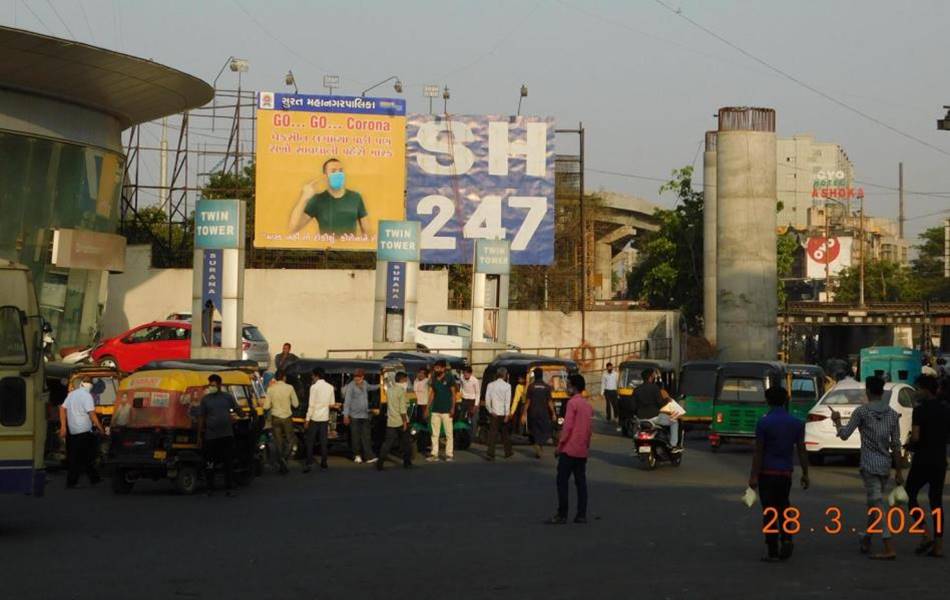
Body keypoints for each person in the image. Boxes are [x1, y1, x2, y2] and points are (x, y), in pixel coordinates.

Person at [831, 376, 904, 559]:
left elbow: (844, 435)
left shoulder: (861, 412)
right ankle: (866, 538)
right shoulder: (893, 415)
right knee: (875, 503)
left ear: (868, 392)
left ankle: (888, 546)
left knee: (877, 504)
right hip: (885, 466)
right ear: (882, 392)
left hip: (869, 466)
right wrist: (898, 472)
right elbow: (896, 445)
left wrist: (837, 421)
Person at [749, 386, 810, 562]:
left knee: (769, 511)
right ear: (785, 401)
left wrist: (753, 476)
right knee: (783, 507)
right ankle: (787, 539)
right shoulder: (796, 423)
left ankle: (772, 549)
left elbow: (759, 452)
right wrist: (805, 473)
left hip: (767, 473)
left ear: (768, 401)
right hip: (785, 474)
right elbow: (802, 450)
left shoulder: (763, 423)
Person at [904, 374, 950, 557]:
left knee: (909, 494)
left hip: (922, 460)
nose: (916, 392)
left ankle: (925, 533)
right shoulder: (946, 410)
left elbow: (916, 437)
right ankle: (938, 545)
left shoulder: (920, 410)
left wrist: (909, 445)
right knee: (936, 502)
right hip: (939, 460)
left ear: (925, 390)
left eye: (917, 389)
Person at [547, 374, 594, 525]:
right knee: (581, 483)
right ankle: (581, 514)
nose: (566, 388)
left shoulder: (572, 403)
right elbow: (589, 430)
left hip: (569, 449)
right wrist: (586, 446)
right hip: (581, 450)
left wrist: (559, 446)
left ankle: (562, 514)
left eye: (568, 385)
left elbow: (567, 428)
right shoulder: (587, 406)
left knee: (562, 482)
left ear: (574, 387)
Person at [288, 158, 371, 236]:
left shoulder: (356, 197)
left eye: (341, 171)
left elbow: (368, 233)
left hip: (350, 246)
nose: (338, 174)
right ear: (325, 176)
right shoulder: (318, 200)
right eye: (333, 171)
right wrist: (304, 198)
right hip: (327, 246)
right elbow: (293, 228)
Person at [199, 374, 241, 496]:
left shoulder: (228, 397)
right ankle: (209, 488)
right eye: (210, 385)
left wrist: (242, 414)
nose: (211, 387)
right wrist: (199, 435)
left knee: (228, 462)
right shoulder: (205, 399)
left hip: (226, 435)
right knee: (210, 463)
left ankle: (228, 488)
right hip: (211, 436)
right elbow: (201, 417)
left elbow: (237, 409)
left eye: (213, 385)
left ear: (219, 385)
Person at [58, 376, 105, 488]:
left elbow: (62, 408)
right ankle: (73, 482)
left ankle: (94, 479)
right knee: (85, 457)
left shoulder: (71, 394)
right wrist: (100, 428)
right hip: (84, 431)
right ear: (90, 385)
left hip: (72, 431)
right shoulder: (87, 396)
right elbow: (92, 414)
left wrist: (63, 426)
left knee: (79, 456)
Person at [632, 369, 681, 448]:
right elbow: (660, 403)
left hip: (640, 419)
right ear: (651, 377)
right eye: (653, 376)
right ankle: (673, 445)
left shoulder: (636, 390)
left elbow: (633, 406)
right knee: (674, 421)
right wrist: (667, 400)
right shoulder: (655, 388)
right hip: (654, 418)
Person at [263, 370, 299, 474]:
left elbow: (266, 406)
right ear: (284, 377)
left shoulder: (270, 389)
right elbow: (296, 404)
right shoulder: (290, 388)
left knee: (278, 441)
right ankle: (284, 458)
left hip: (275, 418)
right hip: (287, 418)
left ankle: (281, 462)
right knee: (290, 440)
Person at [342, 368, 379, 464]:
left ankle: (368, 456)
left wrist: (381, 385)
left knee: (366, 437)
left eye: (358, 376)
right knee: (355, 437)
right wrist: (345, 415)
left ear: (362, 377)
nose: (356, 378)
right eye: (355, 376)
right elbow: (347, 402)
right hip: (354, 416)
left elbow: (372, 387)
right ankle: (357, 455)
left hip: (364, 415)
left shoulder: (365, 383)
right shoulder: (351, 386)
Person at [304, 368, 338, 473]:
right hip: (324, 418)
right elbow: (331, 404)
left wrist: (307, 419)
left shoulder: (314, 387)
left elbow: (311, 405)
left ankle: (309, 462)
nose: (312, 377)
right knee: (324, 441)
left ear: (316, 376)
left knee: (310, 441)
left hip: (314, 417)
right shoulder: (330, 387)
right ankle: (324, 462)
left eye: (312, 375)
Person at [378, 372, 412, 471]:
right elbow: (402, 409)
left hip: (391, 420)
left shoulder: (389, 390)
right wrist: (405, 422)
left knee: (387, 443)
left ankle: (380, 462)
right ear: (402, 380)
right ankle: (407, 462)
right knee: (406, 442)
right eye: (405, 380)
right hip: (401, 420)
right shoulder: (401, 392)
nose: (406, 382)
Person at [427, 360, 458, 462]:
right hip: (435, 409)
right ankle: (434, 454)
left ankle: (449, 455)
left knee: (449, 434)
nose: (436, 369)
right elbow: (432, 393)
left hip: (447, 410)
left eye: (438, 368)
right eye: (435, 367)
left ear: (443, 368)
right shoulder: (433, 377)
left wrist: (453, 408)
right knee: (434, 434)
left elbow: (453, 394)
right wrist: (427, 407)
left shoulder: (449, 377)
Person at [522, 367, 555, 458]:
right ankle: (539, 445)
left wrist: (524, 414)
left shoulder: (531, 387)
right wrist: (553, 413)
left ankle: (537, 445)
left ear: (535, 376)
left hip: (533, 413)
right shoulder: (547, 387)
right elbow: (550, 402)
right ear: (542, 375)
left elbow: (528, 402)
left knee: (535, 430)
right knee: (543, 430)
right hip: (544, 413)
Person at [485, 368, 513, 461]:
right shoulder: (507, 386)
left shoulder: (490, 385)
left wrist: (490, 410)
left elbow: (487, 400)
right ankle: (508, 452)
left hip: (494, 412)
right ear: (505, 375)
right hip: (503, 413)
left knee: (493, 434)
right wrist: (507, 414)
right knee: (505, 434)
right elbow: (507, 401)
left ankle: (490, 453)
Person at [459, 366, 481, 441]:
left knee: (473, 419)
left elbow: (478, 393)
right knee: (461, 417)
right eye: (464, 373)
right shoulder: (461, 377)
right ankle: (461, 434)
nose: (465, 374)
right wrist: (460, 395)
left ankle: (472, 436)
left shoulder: (475, 381)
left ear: (470, 373)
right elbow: (461, 386)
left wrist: (476, 405)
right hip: (464, 399)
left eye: (467, 373)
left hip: (472, 400)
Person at [603, 362, 619, 430]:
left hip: (614, 391)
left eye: (610, 367)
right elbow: (603, 383)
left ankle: (616, 417)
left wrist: (618, 391)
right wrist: (602, 392)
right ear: (607, 368)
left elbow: (618, 382)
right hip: (607, 391)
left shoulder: (616, 374)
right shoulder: (604, 374)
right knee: (608, 405)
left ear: (612, 367)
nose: (609, 368)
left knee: (615, 404)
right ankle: (608, 418)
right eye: (608, 367)